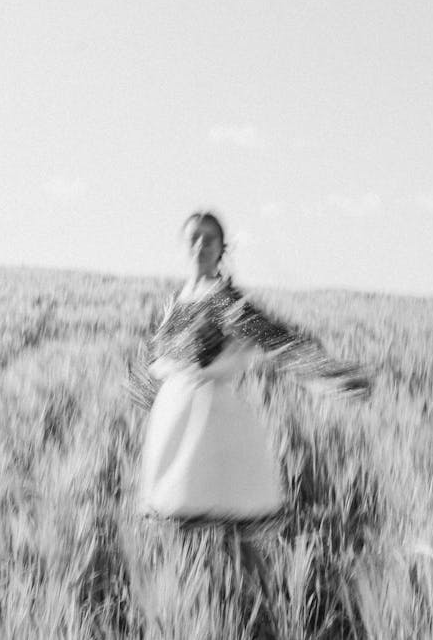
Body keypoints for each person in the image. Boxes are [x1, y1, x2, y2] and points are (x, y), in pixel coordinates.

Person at [126, 210, 371, 632]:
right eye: (193, 239)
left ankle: (276, 615)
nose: (200, 246)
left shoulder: (227, 300)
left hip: (213, 427)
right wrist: (141, 400)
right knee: (180, 534)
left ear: (223, 248)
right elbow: (155, 361)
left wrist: (331, 375)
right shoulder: (176, 302)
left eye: (209, 238)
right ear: (184, 247)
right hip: (173, 425)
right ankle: (200, 616)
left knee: (237, 536)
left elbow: (280, 340)